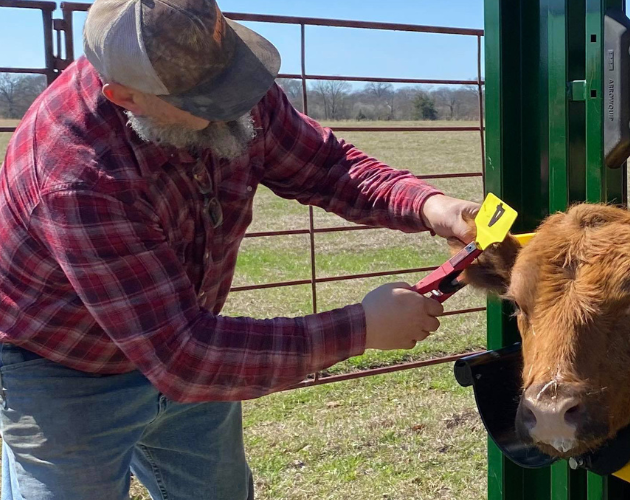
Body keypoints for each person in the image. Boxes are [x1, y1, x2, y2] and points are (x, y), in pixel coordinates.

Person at [0, 0, 481, 498]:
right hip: (65, 367)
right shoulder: (78, 177)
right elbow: (184, 355)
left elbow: (323, 165)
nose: (232, 105)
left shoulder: (222, 79)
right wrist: (360, 328)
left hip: (191, 343)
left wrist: (432, 206)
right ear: (126, 97)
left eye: (233, 83)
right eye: (204, 102)